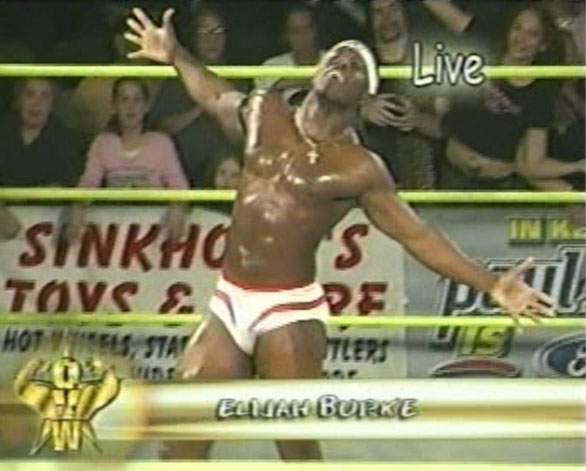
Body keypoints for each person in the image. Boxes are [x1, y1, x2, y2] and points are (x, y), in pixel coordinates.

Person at [125, 7, 555, 460]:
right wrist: (175, 54)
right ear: (316, 71)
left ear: (366, 94)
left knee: (296, 446)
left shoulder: (358, 167)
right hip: (229, 298)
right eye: (336, 58)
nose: (342, 65)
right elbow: (214, 94)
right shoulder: (265, 112)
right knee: (179, 443)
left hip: (287, 309)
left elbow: (416, 234)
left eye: (355, 66)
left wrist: (491, 285)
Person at [440, 6, 582, 190]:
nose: (521, 38)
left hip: (497, 186)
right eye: (517, 28)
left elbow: (533, 165)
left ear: (543, 45)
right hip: (450, 173)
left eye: (532, 34)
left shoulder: (540, 95)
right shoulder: (482, 58)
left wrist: (579, 167)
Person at [62, 78, 189, 244]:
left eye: (137, 100)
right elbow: (89, 181)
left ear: (146, 106)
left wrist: (178, 208)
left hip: (153, 235)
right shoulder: (103, 143)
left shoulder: (161, 143)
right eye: (124, 99)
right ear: (115, 106)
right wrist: (78, 206)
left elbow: (180, 187)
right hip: (116, 236)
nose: (131, 107)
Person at [151, 3, 239, 188]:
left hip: (231, 175)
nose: (212, 38)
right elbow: (162, 128)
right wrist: (203, 104)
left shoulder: (240, 75)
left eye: (218, 31)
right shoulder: (176, 78)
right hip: (184, 173)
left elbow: (246, 127)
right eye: (204, 31)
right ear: (194, 37)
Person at [0, 78, 81, 240]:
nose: (36, 103)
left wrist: (76, 210)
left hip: (47, 230)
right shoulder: (4, 130)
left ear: (52, 104)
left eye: (44, 96)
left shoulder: (65, 139)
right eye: (29, 94)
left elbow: (72, 182)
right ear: (18, 100)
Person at [255, 3, 323, 100]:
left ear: (316, 30)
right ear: (286, 36)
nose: (303, 36)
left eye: (307, 28)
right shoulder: (270, 68)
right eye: (295, 31)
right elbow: (258, 103)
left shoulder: (335, 63)